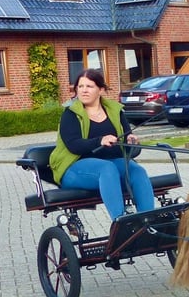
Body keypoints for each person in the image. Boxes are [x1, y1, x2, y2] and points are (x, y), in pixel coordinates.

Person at [49, 68, 154, 221]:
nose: (84, 91)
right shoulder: (70, 114)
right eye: (80, 86)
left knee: (136, 170)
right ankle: (121, 223)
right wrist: (100, 140)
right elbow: (74, 145)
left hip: (109, 164)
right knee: (107, 168)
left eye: (89, 86)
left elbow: (125, 136)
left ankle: (148, 222)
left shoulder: (115, 111)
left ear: (101, 90)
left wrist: (131, 140)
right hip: (73, 168)